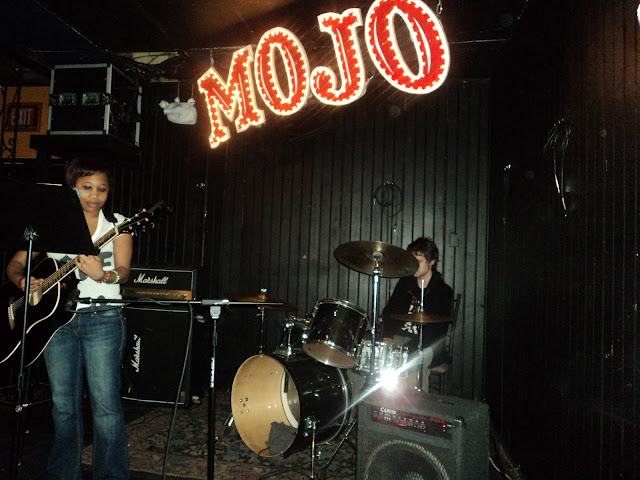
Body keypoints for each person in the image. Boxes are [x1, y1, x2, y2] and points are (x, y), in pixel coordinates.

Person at [6, 156, 132, 479]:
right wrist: (24, 282)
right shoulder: (50, 224)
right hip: (55, 325)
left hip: (103, 318)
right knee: (63, 407)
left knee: (106, 407)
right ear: (71, 189)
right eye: (87, 187)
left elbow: (123, 271)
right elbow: (15, 265)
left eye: (102, 189)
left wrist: (104, 276)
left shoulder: (117, 224)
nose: (95, 195)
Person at [380, 237, 453, 390]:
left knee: (413, 368)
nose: (414, 265)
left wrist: (408, 348)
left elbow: (437, 332)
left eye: (419, 261)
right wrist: (387, 335)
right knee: (369, 361)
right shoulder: (404, 284)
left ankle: (417, 404)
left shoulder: (443, 291)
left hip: (427, 345)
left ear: (432, 262)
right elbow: (389, 312)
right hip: (398, 338)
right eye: (412, 261)